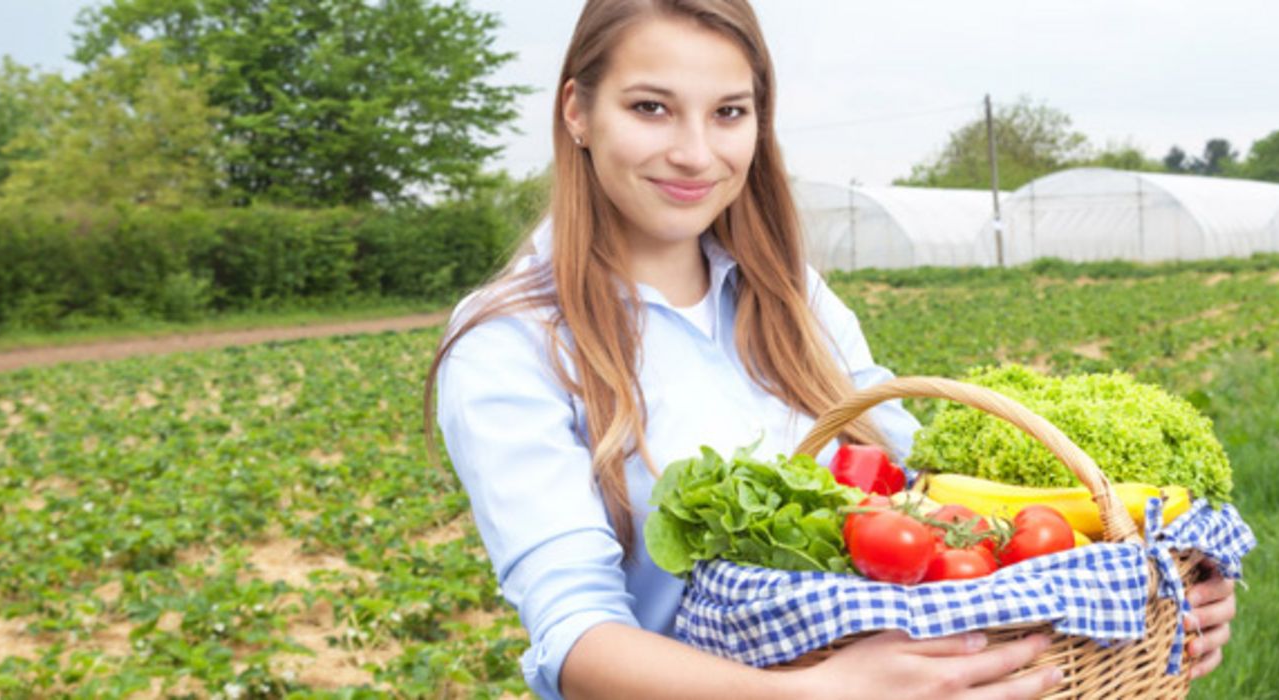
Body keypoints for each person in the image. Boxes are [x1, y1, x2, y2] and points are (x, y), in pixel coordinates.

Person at [424, 1, 1238, 698]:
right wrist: (811, 693)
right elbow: (576, 640)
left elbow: (927, 493)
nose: (696, 154)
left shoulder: (789, 296)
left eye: (728, 113)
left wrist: (1159, 592)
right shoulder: (511, 345)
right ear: (577, 112)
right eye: (650, 108)